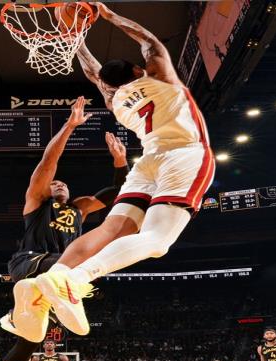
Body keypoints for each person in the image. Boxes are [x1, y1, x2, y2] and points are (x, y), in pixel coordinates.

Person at [12, 2, 215, 337]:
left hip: (147, 162)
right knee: (158, 241)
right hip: (184, 155)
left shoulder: (114, 99)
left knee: (112, 230)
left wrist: (75, 38)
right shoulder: (161, 79)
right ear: (137, 69)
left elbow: (94, 72)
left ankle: (48, 283)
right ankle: (74, 280)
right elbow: (149, 41)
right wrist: (108, 16)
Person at [0, 97, 128, 361]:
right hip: (31, 263)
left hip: (53, 278)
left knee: (31, 340)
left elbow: (119, 193)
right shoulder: (36, 203)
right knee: (83, 264)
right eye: (55, 183)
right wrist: (70, 126)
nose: (59, 184)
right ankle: (24, 309)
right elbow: (48, 162)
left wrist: (120, 161)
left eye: (63, 184)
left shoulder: (80, 209)